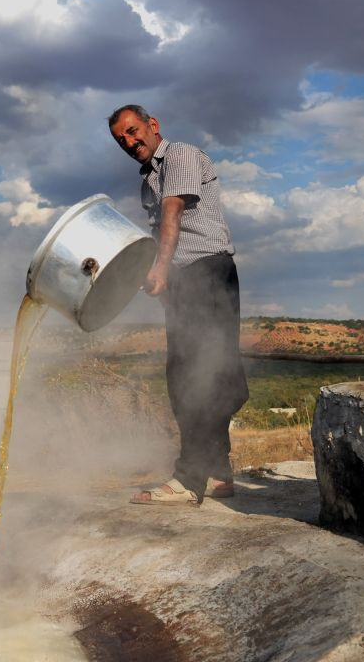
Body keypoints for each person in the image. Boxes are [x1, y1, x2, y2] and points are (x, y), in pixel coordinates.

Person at [108, 104, 249, 506]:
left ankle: (189, 479)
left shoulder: (181, 156)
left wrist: (163, 268)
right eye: (122, 140)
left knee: (194, 376)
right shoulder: (147, 178)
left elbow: (173, 210)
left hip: (206, 272)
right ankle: (219, 471)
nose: (130, 142)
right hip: (187, 280)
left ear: (153, 126)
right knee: (205, 371)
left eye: (134, 132)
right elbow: (160, 232)